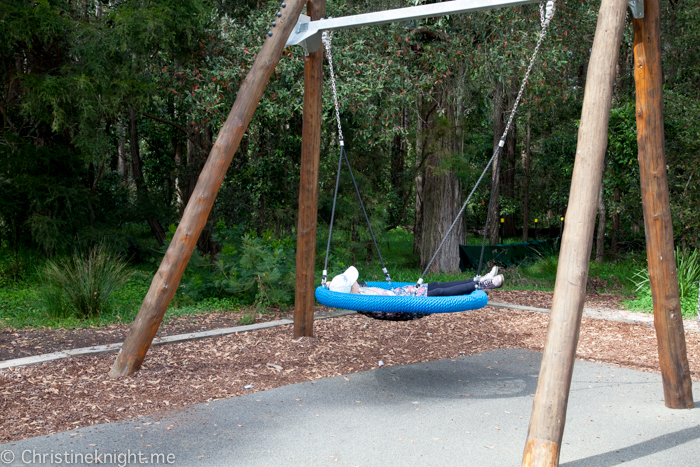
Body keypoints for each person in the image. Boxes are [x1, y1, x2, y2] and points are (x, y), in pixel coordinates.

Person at [326, 266, 503, 297]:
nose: (356, 281)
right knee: (439, 293)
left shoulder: (359, 290)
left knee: (436, 285)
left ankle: (478, 280)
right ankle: (482, 285)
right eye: (353, 281)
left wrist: (329, 285)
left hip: (407, 292)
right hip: (407, 301)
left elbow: (359, 285)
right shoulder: (360, 299)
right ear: (349, 288)